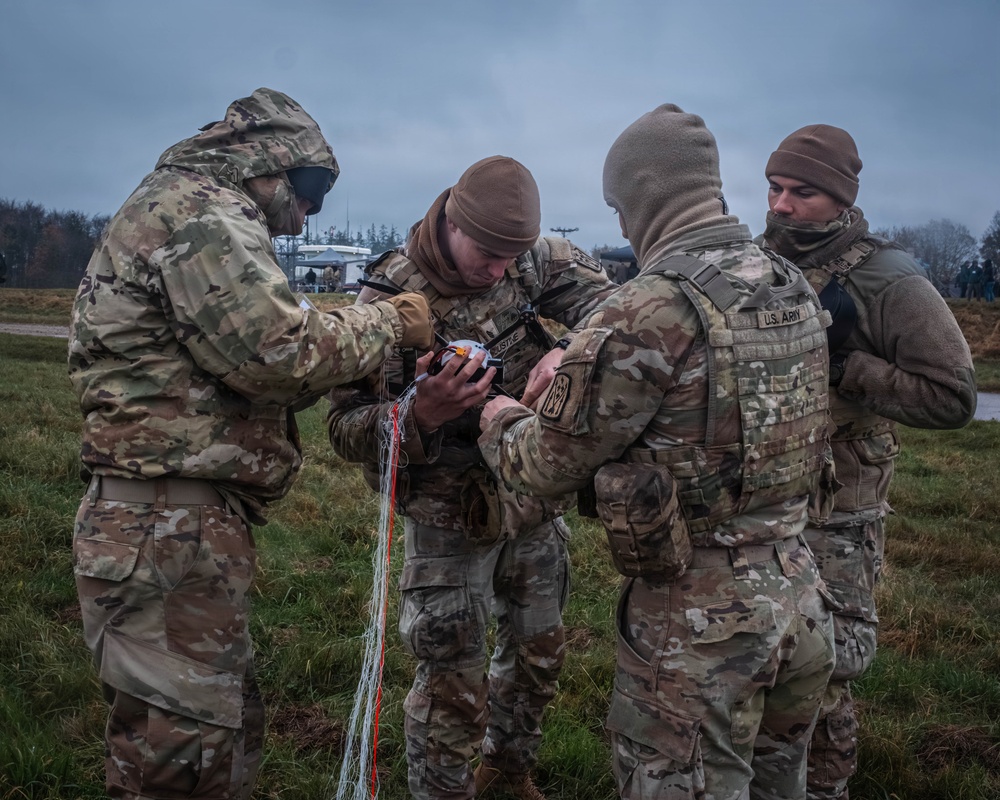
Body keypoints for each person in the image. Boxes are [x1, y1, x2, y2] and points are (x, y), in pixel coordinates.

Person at [67, 87, 434, 800]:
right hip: (166, 530)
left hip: (165, 530)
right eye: (308, 197)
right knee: (184, 760)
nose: (304, 219)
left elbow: (247, 365)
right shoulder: (204, 214)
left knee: (198, 740)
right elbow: (276, 354)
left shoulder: (180, 205)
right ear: (274, 166)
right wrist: (391, 322)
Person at [479, 104, 836, 800]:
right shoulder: (785, 280)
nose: (618, 225)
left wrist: (501, 415)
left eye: (618, 206)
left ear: (644, 194)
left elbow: (547, 466)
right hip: (800, 593)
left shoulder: (647, 308)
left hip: (700, 628)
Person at [327, 155, 616, 800]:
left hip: (533, 497)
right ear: (451, 221)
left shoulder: (536, 259)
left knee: (538, 654)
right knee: (451, 680)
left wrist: (570, 353)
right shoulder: (389, 299)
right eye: (487, 253)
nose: (499, 269)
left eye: (511, 255)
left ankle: (507, 774)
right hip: (447, 516)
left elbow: (627, 308)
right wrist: (421, 413)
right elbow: (344, 427)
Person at [759, 123, 977, 799]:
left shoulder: (889, 279)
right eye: (773, 187)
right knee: (761, 662)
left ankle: (825, 790)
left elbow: (952, 397)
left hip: (840, 516)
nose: (782, 206)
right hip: (760, 504)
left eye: (802, 193)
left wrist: (854, 370)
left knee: (826, 670)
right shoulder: (757, 262)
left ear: (842, 199)